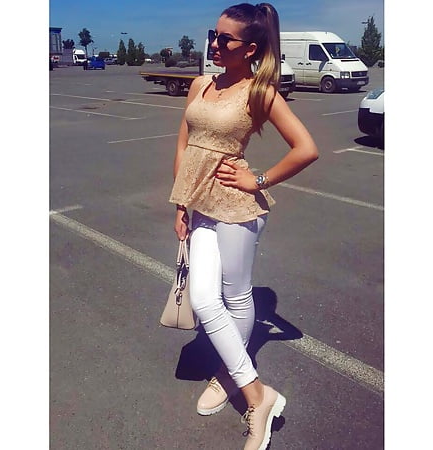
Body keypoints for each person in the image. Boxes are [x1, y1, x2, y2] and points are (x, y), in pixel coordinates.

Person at [169, 3, 318, 449]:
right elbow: (185, 145)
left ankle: (230, 376)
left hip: (237, 207)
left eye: (224, 39)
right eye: (212, 35)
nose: (214, 44)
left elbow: (306, 148)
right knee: (202, 298)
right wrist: (180, 203)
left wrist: (258, 179)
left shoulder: (260, 93)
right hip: (200, 205)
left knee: (235, 297)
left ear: (249, 48)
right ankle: (256, 392)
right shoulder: (201, 84)